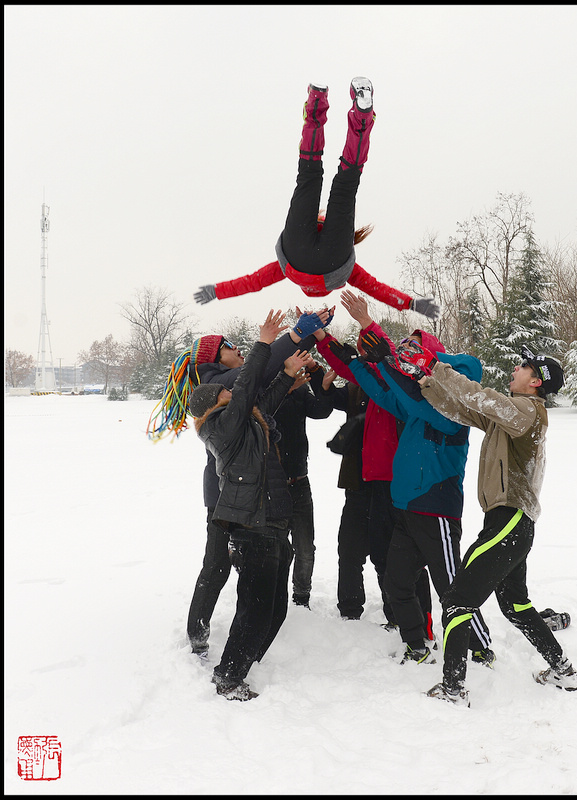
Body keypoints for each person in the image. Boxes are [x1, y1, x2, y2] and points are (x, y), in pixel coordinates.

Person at [399, 341, 577, 705]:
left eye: (522, 367)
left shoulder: (527, 412)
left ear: (535, 382)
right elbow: (462, 407)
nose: (515, 370)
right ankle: (563, 671)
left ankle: (452, 689)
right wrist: (426, 380)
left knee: (455, 602)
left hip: (509, 520)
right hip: (514, 524)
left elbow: (483, 397)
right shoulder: (513, 416)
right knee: (514, 604)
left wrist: (437, 366)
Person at [146, 307, 333, 658]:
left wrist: (310, 336)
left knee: (254, 565)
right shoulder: (214, 383)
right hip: (225, 497)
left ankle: (250, 627)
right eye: (231, 345)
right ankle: (199, 633)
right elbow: (252, 377)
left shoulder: (228, 384)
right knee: (217, 565)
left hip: (247, 494)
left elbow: (261, 391)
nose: (239, 350)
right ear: (215, 355)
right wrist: (295, 334)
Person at [331, 292, 494, 667]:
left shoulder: (454, 410)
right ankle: (417, 644)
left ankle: (481, 647)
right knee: (397, 584)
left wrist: (375, 335)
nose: (407, 357)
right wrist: (353, 361)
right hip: (405, 505)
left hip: (436, 508)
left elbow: (410, 381)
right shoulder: (416, 404)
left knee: (452, 589)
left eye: (413, 352)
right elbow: (383, 389)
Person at [193, 78, 440, 321]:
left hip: (335, 261)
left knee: (347, 182)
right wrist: (215, 291)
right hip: (296, 254)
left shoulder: (345, 271)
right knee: (308, 175)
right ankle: (316, 101)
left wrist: (412, 304)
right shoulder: (289, 272)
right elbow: (251, 282)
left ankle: (362, 117)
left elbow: (377, 289)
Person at [189, 309, 311, 701]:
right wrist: (264, 342)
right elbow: (245, 389)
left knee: (275, 610)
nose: (234, 392)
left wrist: (289, 374)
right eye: (227, 394)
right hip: (252, 527)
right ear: (215, 404)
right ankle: (228, 676)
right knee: (255, 609)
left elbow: (264, 400)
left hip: (272, 521)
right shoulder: (221, 427)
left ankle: (245, 659)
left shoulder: (243, 423)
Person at [313, 316, 433, 637]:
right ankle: (351, 610)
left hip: (395, 483)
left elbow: (384, 361)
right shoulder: (360, 384)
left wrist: (365, 322)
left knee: (391, 552)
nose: (366, 354)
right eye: (363, 349)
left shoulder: (400, 382)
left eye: (371, 347)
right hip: (360, 478)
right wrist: (319, 364)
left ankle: (403, 614)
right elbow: (334, 390)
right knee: (350, 548)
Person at [272, 354, 336, 609]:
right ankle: (273, 597)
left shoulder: (299, 392)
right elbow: (262, 411)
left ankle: (301, 598)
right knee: (274, 549)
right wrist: (287, 387)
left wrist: (325, 387)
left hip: (299, 480)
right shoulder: (267, 390)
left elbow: (320, 411)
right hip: (271, 484)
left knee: (305, 547)